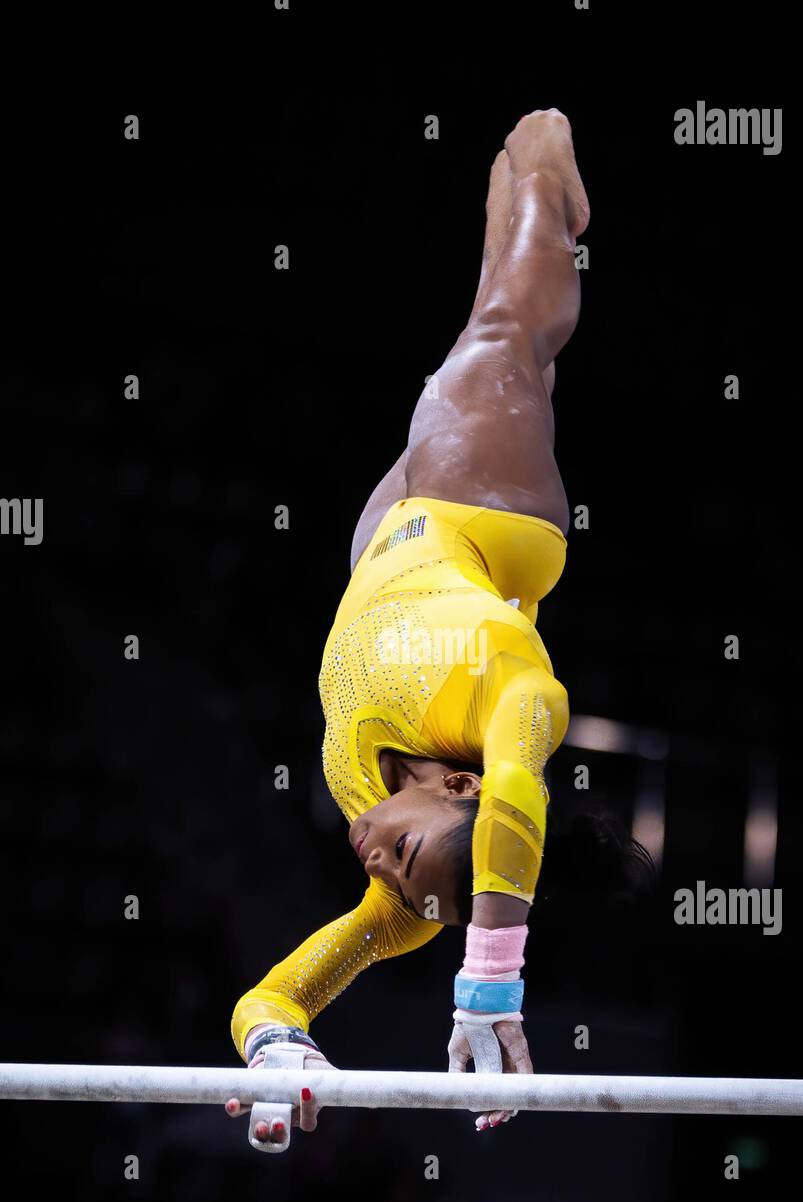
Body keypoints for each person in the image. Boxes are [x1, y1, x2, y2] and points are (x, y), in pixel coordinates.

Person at [226, 110, 593, 1143]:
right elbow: (523, 793)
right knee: (506, 332)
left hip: (384, 549)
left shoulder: (404, 906)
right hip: (485, 514)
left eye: (388, 876)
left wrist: (277, 1045)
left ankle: (510, 194)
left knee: (486, 334)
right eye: (406, 855)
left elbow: (278, 990)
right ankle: (546, 166)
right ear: (460, 784)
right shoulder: (513, 699)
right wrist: (489, 985)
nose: (374, 862)